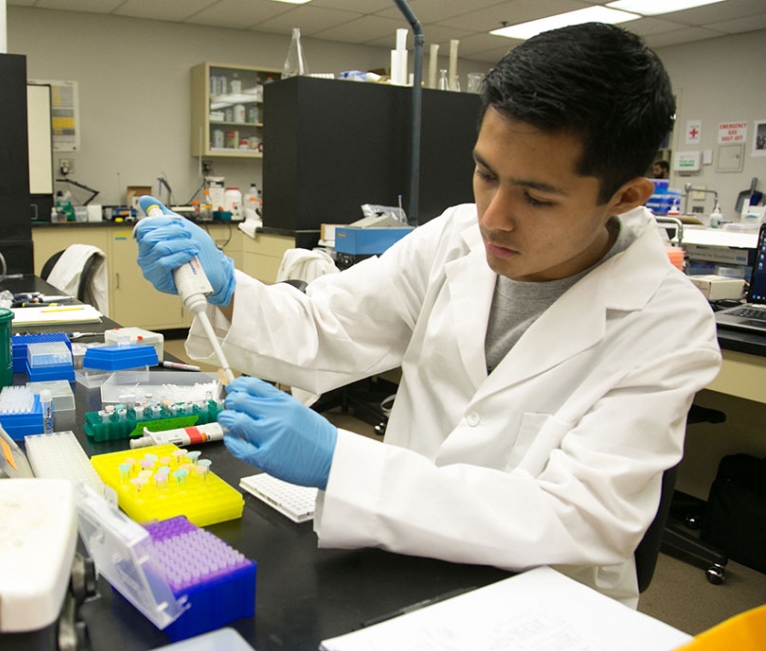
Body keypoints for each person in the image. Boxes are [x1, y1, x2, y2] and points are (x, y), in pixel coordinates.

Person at [134, 23, 721, 606]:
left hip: (543, 607)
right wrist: (225, 288)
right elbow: (328, 324)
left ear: (624, 197)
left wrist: (343, 461)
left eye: (537, 198)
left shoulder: (667, 324)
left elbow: (580, 519)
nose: (494, 217)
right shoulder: (453, 238)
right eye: (486, 173)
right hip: (394, 566)